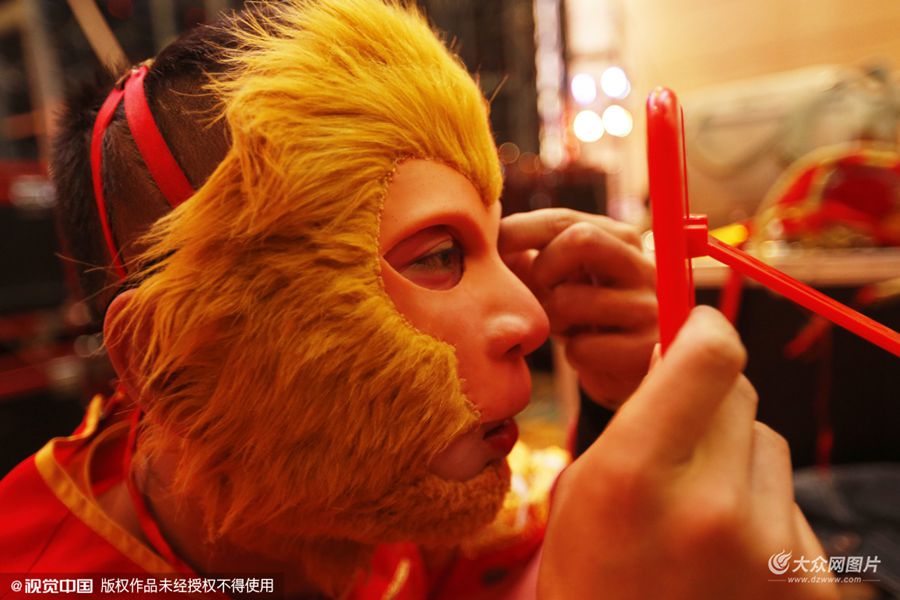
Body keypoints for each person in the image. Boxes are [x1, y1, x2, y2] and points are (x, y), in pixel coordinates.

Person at [0, 1, 836, 599]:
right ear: (169, 353)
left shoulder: (366, 490)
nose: (533, 319)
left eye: (497, 239)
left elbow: (505, 573)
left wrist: (622, 423)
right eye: (438, 255)